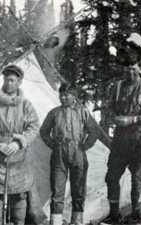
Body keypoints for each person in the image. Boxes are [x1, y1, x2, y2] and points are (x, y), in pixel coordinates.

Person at [101, 55, 141, 224]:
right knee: (112, 176)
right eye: (127, 68)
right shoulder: (119, 86)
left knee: (137, 177)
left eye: (134, 68)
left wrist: (134, 119)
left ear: (139, 69)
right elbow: (109, 108)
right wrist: (115, 118)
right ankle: (114, 214)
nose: (130, 72)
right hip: (121, 138)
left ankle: (135, 215)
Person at [0, 64, 40, 225]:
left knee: (19, 194)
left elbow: (34, 126)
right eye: (6, 79)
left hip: (19, 158)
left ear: (19, 82)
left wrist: (18, 143)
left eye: (12, 80)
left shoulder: (26, 105)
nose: (9, 83)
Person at [40, 83, 99, 225]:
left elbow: (94, 131)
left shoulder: (83, 111)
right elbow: (44, 131)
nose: (63, 97)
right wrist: (53, 144)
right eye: (61, 94)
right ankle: (56, 221)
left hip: (78, 152)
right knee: (57, 189)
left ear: (74, 96)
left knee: (78, 189)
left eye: (66, 95)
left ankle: (77, 221)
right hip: (59, 152)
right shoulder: (54, 112)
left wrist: (85, 145)